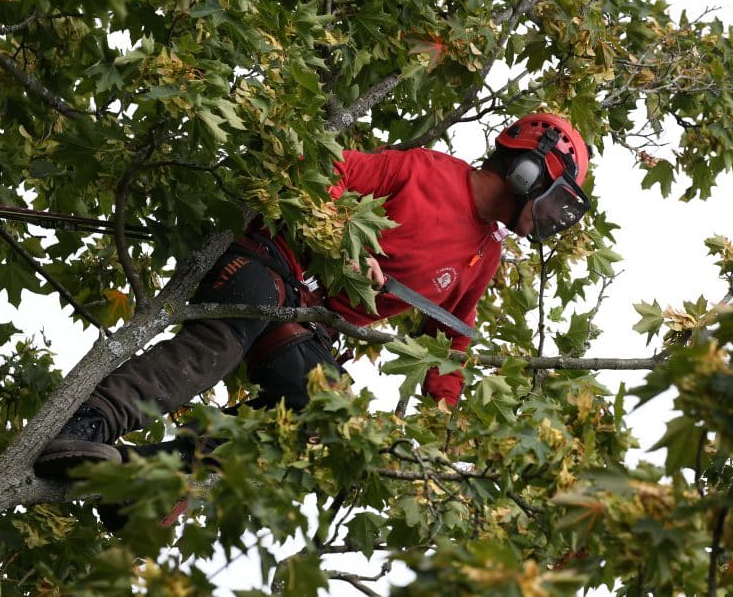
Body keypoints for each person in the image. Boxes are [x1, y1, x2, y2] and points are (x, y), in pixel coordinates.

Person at [34, 112, 592, 479]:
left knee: (327, 416)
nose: (549, 217)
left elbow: (451, 340)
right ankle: (87, 424)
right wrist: (346, 233)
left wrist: (442, 420)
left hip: (311, 326)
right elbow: (327, 168)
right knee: (226, 337)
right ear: (525, 170)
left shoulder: (484, 255)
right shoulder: (424, 170)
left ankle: (140, 478)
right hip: (271, 262)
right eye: (554, 196)